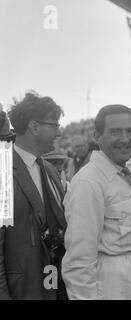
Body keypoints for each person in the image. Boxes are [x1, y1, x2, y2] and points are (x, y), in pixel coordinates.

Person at [62, 104, 131, 300]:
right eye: (115, 132)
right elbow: (79, 262)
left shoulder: (122, 174)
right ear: (97, 136)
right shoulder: (89, 182)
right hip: (111, 283)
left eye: (130, 131)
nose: (125, 139)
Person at [0, 92, 67, 300]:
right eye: (54, 125)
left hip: (56, 282)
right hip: (23, 289)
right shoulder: (4, 170)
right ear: (34, 126)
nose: (59, 133)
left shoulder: (50, 170)